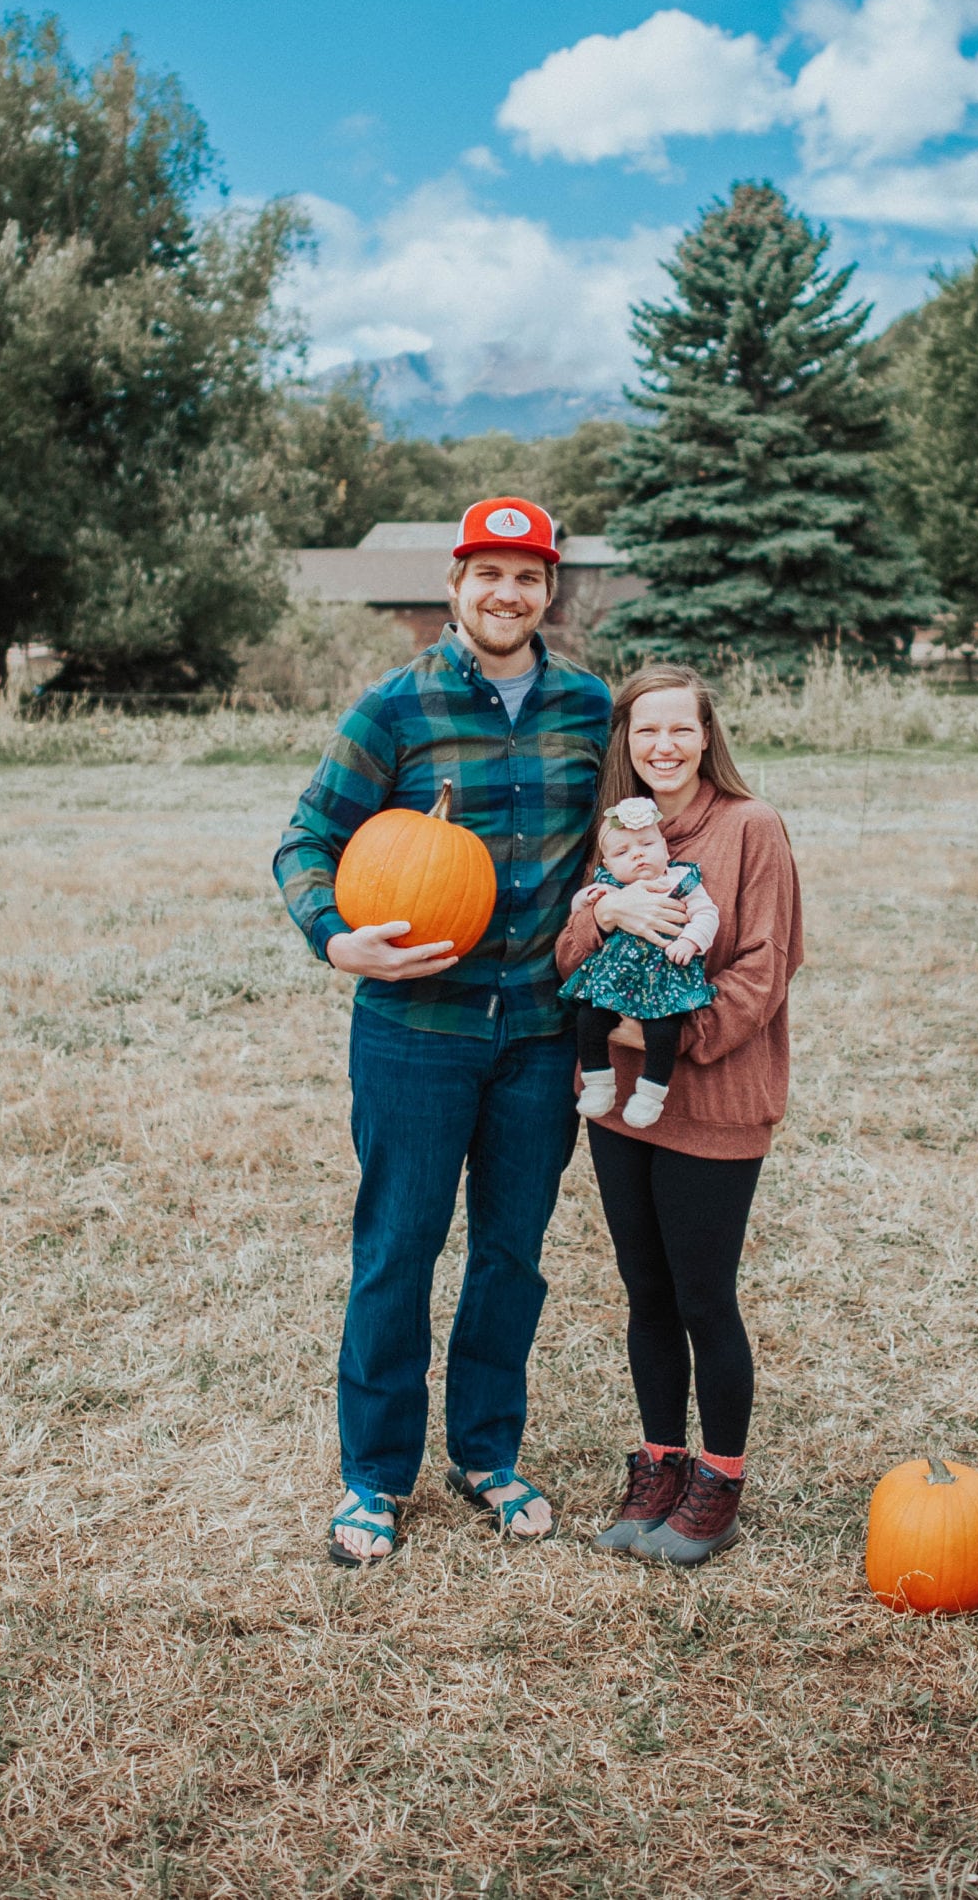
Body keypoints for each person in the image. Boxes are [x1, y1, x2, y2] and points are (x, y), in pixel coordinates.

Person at [273, 499, 610, 1568]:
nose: (506, 593)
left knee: (510, 1252)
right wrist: (335, 937)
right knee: (398, 1249)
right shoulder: (394, 710)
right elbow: (305, 840)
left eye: (527, 576)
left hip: (541, 1035)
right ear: (454, 583)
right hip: (415, 1030)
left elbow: (639, 832)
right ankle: (374, 1475)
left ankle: (486, 1452)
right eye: (487, 574)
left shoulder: (590, 709)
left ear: (547, 590)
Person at [554, 665, 803, 1568]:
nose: (662, 747)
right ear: (625, 740)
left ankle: (719, 1480)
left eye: (680, 731)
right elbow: (570, 950)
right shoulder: (622, 831)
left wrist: (667, 1032)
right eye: (643, 731)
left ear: (708, 737)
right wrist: (604, 908)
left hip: (714, 1099)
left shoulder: (752, 828)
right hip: (621, 1108)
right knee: (646, 1291)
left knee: (703, 1295)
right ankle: (659, 1462)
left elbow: (765, 969)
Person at [559, 793, 719, 1129]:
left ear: (666, 848)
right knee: (589, 1019)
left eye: (646, 844)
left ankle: (651, 1092)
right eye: (622, 852)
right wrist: (589, 900)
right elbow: (578, 912)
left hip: (666, 976)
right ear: (608, 865)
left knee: (663, 1031)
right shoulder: (608, 887)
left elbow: (707, 914)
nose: (638, 855)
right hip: (615, 978)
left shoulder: (679, 881)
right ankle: (598, 1081)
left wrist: (691, 940)